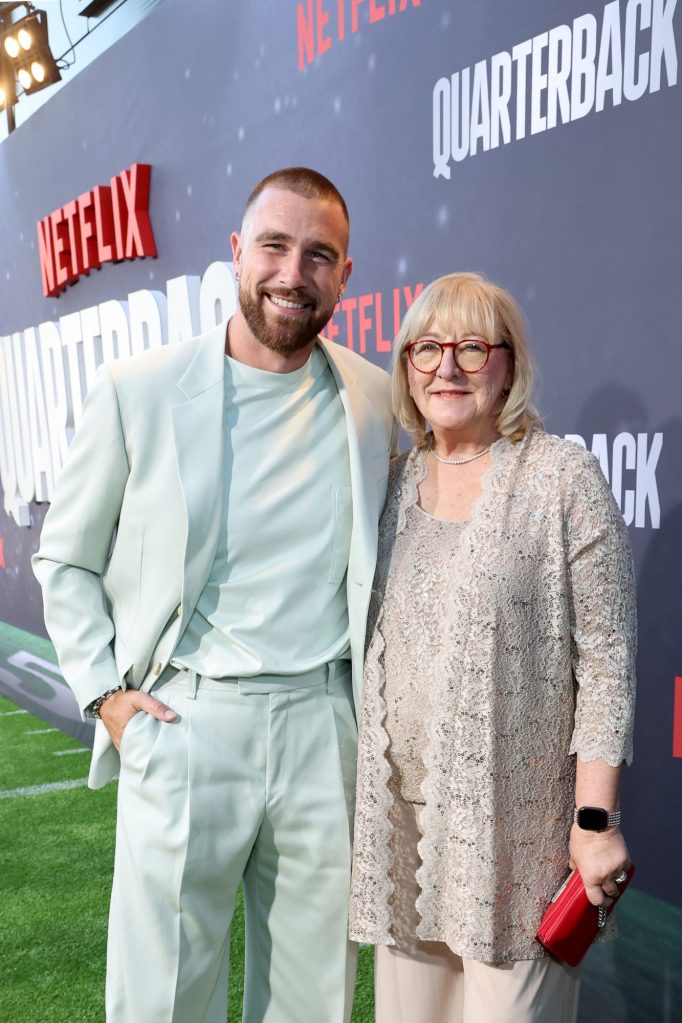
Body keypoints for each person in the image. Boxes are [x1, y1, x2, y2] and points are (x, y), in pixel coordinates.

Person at [32, 167, 395, 1023]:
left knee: (316, 998)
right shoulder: (141, 388)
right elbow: (66, 557)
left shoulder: (377, 398)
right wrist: (105, 695)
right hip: (185, 722)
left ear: (345, 275)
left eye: (319, 255)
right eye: (274, 245)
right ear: (236, 252)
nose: (292, 272)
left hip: (322, 728)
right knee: (161, 997)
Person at [349, 272, 636, 1023]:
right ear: (406, 363)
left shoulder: (560, 476)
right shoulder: (387, 483)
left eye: (473, 348)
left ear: (509, 364)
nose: (447, 367)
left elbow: (606, 662)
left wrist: (595, 822)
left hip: (519, 846)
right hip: (407, 841)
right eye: (428, 348)